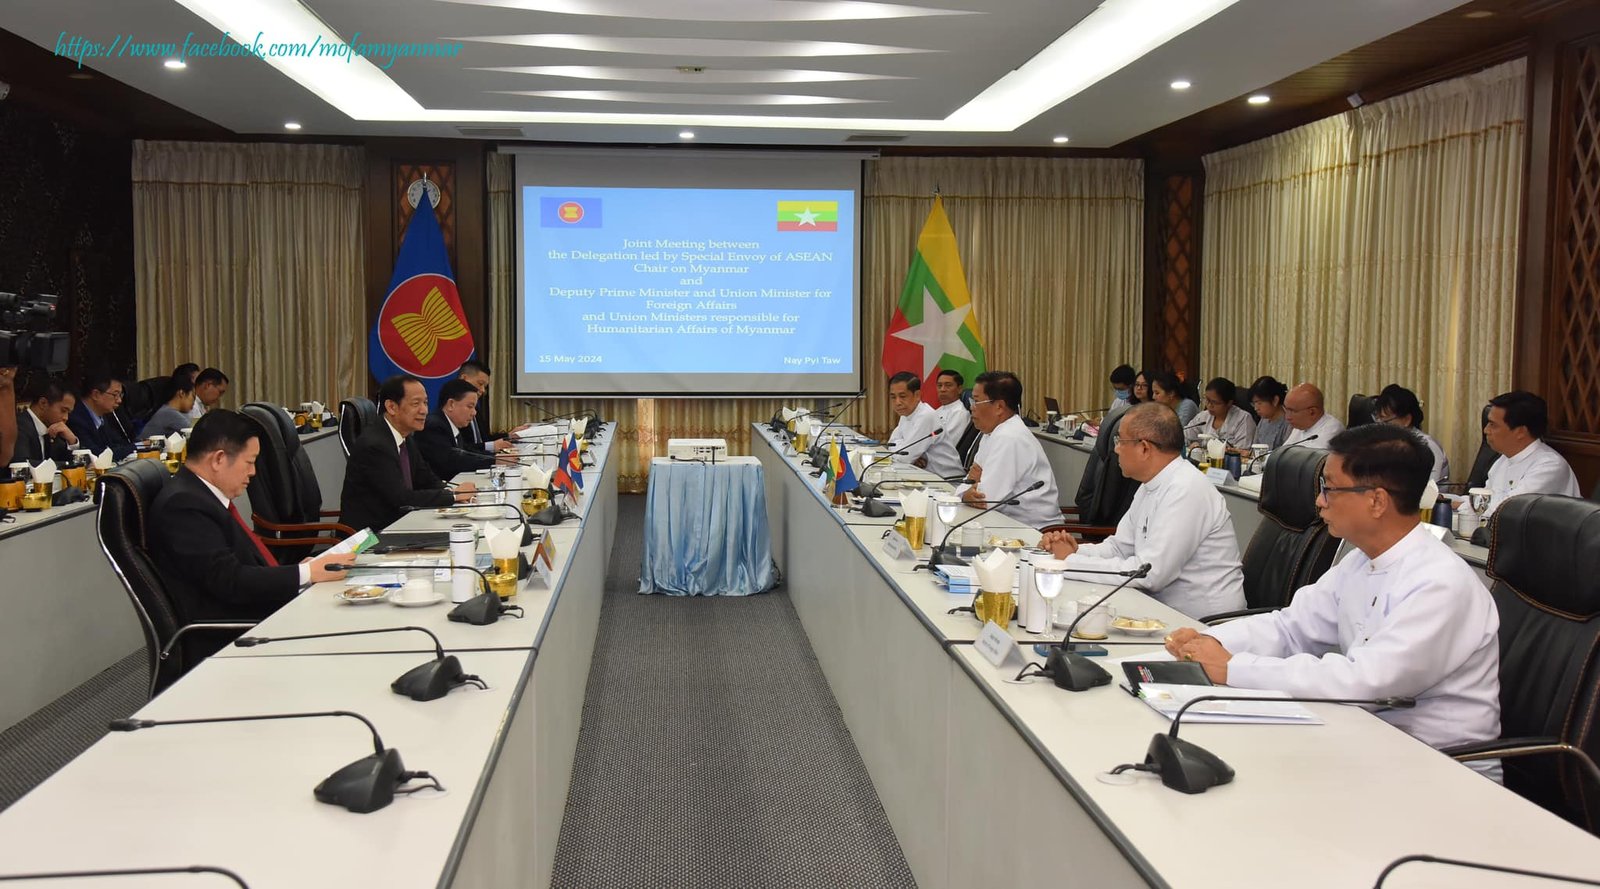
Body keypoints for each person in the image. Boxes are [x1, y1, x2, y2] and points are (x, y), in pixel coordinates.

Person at [1164, 424, 1501, 778]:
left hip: (1440, 768)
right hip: (1366, 741)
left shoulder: (1440, 583)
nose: (1319, 501)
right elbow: (1292, 628)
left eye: (1330, 488)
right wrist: (1209, 642)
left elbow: (1365, 683)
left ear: (1377, 501)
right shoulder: (1361, 561)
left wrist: (1234, 668)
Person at [147, 410, 350, 639]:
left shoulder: (200, 495)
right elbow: (230, 582)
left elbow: (240, 567)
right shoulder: (183, 506)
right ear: (219, 459)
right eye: (250, 462)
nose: (253, 472)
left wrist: (298, 571)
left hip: (259, 614)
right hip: (238, 632)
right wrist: (306, 573)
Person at [1042, 403, 1246, 618]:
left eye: (1120, 441)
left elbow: (1149, 573)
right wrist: (1073, 551)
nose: (1116, 449)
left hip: (1205, 623)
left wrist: (1068, 562)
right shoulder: (1151, 485)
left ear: (1144, 448)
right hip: (1163, 612)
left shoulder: (1186, 489)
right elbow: (1119, 548)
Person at [340, 374, 478, 533]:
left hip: (398, 524)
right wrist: (452, 495)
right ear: (392, 407)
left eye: (425, 403)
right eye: (416, 403)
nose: (424, 410)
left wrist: (454, 491)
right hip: (370, 536)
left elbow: (425, 478)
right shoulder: (375, 445)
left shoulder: (405, 436)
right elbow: (401, 498)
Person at [959, 371, 1061, 528]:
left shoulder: (1009, 437)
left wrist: (966, 494)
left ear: (999, 407)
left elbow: (986, 499)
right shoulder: (991, 432)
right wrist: (966, 492)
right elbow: (970, 480)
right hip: (1006, 523)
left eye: (976, 401)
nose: (971, 408)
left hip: (1035, 531)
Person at [1479, 390, 1579, 518]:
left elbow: (1507, 509)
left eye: (1493, 425)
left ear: (1520, 432)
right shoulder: (1503, 459)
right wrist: (1456, 502)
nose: (1486, 430)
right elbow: (1483, 499)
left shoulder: (1550, 466)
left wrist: (1466, 506)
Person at [417, 378, 505, 479]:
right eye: (470, 406)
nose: (474, 413)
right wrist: (495, 461)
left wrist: (497, 458)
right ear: (451, 404)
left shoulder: (450, 425)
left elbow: (467, 451)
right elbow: (452, 461)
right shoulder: (433, 426)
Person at [1372, 384, 1448, 483]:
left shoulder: (1427, 446)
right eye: (1378, 420)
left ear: (1406, 420)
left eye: (1386, 421)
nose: (1380, 427)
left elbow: (1429, 488)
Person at [456, 360, 524, 453]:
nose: (483, 390)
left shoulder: (475, 407)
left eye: (485, 386)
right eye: (480, 384)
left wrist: (509, 435)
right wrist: (492, 447)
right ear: (464, 379)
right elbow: (461, 448)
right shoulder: (455, 411)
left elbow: (485, 439)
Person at [67, 373, 134, 460]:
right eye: (115, 395)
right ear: (96, 395)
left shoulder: (105, 415)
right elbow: (96, 454)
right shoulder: (76, 419)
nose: (119, 400)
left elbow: (119, 443)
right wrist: (137, 447)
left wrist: (140, 445)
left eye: (121, 395)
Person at [917, 368, 969, 478]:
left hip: (944, 472)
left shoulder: (960, 413)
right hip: (928, 467)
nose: (942, 389)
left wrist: (919, 455)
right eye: (939, 386)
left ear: (959, 389)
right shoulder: (937, 411)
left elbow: (945, 445)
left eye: (948, 385)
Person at [14, 377, 77, 466]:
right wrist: (66, 464)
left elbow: (74, 462)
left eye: (68, 413)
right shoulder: (19, 426)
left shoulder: (54, 429)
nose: (66, 418)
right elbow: (22, 464)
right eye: (63, 410)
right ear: (43, 403)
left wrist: (72, 441)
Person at [1183, 377, 1256, 450]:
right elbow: (1183, 437)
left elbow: (1242, 451)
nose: (1209, 405)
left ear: (1229, 403)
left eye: (1214, 402)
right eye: (1207, 400)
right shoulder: (1203, 417)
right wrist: (1193, 446)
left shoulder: (1243, 419)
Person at [885, 371, 938, 466]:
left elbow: (905, 457)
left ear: (917, 395)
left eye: (902, 396)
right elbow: (890, 444)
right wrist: (910, 454)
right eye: (893, 397)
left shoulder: (926, 416)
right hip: (919, 470)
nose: (897, 402)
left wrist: (908, 454)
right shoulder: (905, 414)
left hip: (941, 474)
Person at [1281, 382, 1344, 451]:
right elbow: (1282, 452)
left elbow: (1313, 457)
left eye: (1292, 411)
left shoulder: (1332, 429)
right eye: (1286, 409)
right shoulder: (1300, 426)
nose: (1287, 417)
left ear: (1312, 412)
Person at [142, 374, 197, 438]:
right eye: (193, 396)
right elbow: (195, 432)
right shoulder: (169, 413)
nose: (194, 402)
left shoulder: (172, 411)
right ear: (182, 393)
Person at [1246, 376, 1290, 452]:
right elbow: (1254, 448)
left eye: (1259, 403)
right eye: (1254, 404)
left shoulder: (1288, 423)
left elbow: (1286, 454)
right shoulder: (1263, 420)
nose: (1256, 408)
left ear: (1275, 400)